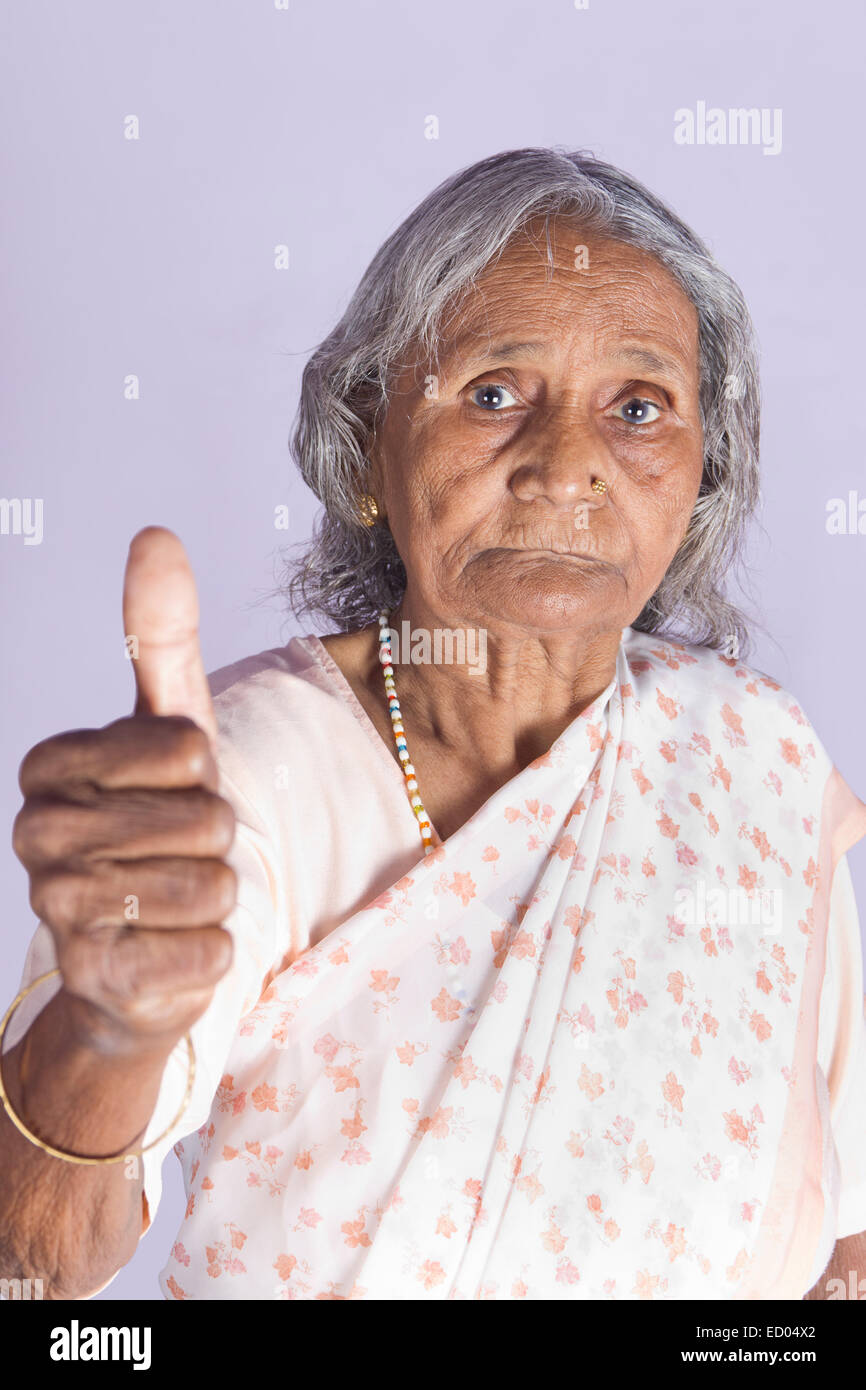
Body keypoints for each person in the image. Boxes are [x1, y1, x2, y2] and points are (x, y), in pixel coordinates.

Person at [2, 148, 865, 1300]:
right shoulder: (241, 784)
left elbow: (840, 1229)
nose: (567, 468)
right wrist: (107, 1036)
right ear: (366, 441)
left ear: (699, 466)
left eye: (638, 407)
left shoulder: (755, 761)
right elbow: (37, 1263)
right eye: (494, 393)